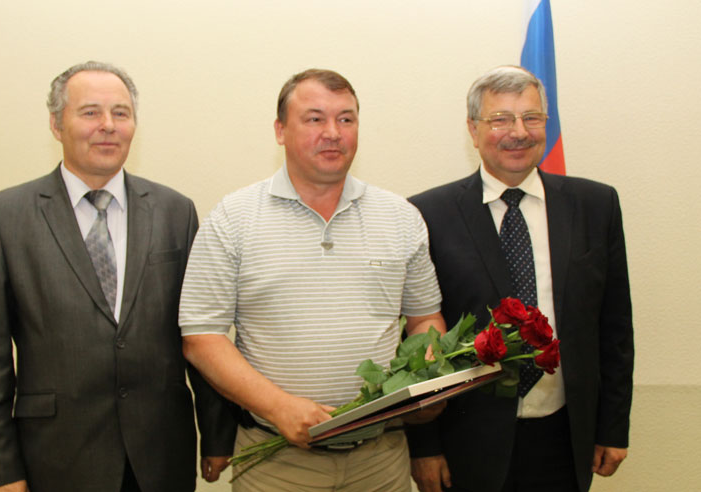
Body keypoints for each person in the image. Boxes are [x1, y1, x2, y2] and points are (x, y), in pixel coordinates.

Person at [0, 61, 235, 492]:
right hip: (57, 458)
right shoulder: (5, 217)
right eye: (90, 112)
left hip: (160, 456)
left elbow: (199, 331)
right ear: (56, 124)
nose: (108, 125)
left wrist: (217, 435)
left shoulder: (175, 212)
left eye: (121, 113)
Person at [179, 68, 447, 492]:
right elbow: (201, 337)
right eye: (315, 119)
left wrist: (429, 375)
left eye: (346, 119)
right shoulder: (233, 218)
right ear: (280, 130)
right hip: (276, 463)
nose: (333, 133)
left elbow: (424, 319)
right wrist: (279, 407)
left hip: (380, 460)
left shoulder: (400, 217)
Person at [407, 65, 634, 492]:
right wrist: (424, 446)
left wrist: (613, 428)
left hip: (566, 435)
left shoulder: (595, 205)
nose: (519, 132)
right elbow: (417, 338)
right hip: (465, 441)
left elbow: (615, 327)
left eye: (531, 118)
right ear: (473, 130)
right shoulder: (426, 214)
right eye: (500, 119)